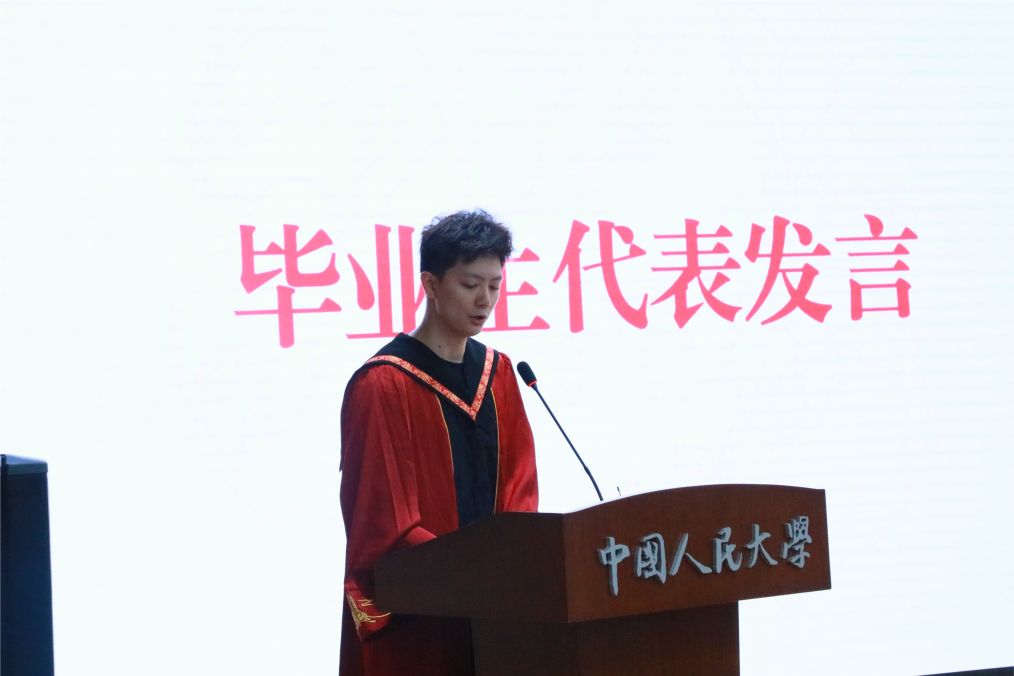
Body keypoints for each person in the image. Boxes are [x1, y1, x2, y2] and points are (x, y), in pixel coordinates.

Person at [339, 210, 540, 676]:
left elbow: (520, 490)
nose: (485, 300)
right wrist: (473, 574)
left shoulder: (499, 374)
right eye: (470, 285)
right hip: (421, 622)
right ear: (430, 284)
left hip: (497, 618)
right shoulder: (384, 384)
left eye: (494, 286)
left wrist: (513, 563)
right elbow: (383, 522)